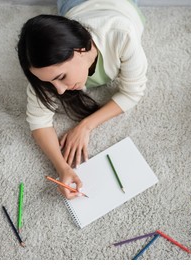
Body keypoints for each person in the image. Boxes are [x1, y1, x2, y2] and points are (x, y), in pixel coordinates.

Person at [17, 0, 147, 199]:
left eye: (61, 77)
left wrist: (85, 125)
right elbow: (38, 122)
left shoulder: (122, 34)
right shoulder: (46, 70)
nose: (59, 91)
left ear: (79, 50)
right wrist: (63, 169)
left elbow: (133, 92)